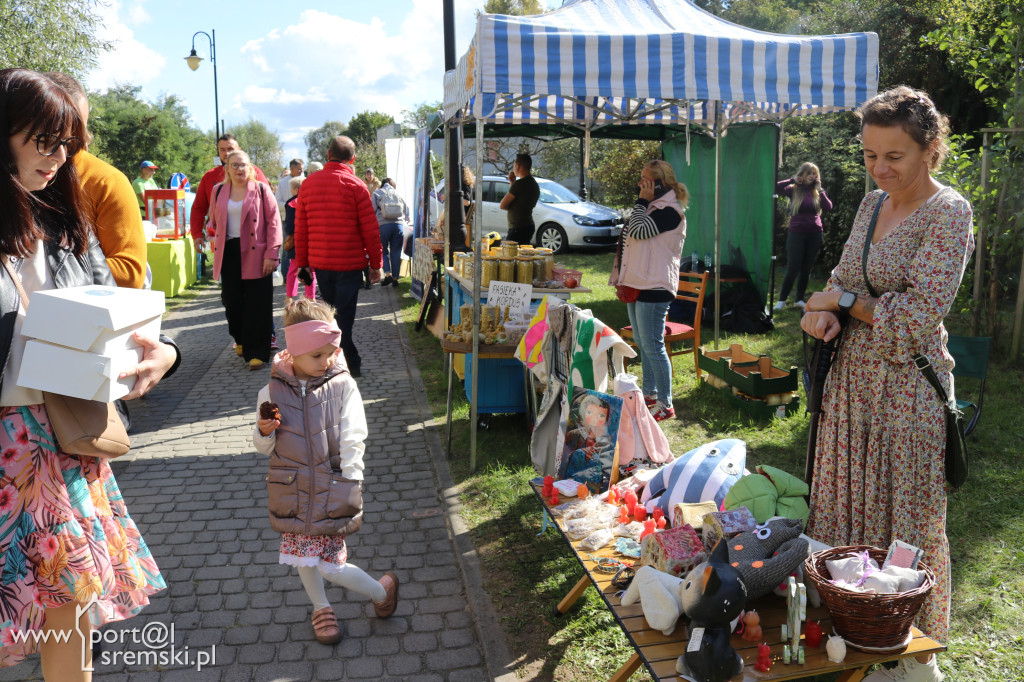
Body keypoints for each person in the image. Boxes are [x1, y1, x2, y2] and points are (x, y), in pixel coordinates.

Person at [801, 86, 973, 682]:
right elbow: (843, 278)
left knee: (909, 525)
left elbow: (917, 315)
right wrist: (824, 312)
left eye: (893, 155)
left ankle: (908, 656)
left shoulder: (949, 213)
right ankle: (851, 633)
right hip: (852, 385)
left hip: (908, 393)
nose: (880, 168)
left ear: (931, 149)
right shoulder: (872, 206)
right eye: (871, 155)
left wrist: (844, 300)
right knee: (846, 510)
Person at [0, 68, 167, 680]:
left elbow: (111, 309)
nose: (58, 157)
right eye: (44, 140)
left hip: (64, 439)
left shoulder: (66, 223)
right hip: (7, 446)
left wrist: (166, 351)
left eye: (65, 143)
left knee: (70, 603)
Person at [253, 298, 399, 645]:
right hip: (291, 491)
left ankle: (380, 592)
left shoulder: (343, 385)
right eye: (317, 355)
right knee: (304, 557)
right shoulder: (270, 391)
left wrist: (352, 480)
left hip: (332, 489)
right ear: (294, 352)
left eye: (332, 351)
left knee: (331, 566)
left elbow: (354, 436)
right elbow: (263, 448)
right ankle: (321, 607)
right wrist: (264, 431)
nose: (328, 360)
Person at [44, 72, 146, 288]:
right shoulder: (17, 175)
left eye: (75, 125)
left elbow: (131, 273)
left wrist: (43, 275)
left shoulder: (107, 181)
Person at [294, 136, 383, 379]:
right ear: (353, 159)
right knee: (344, 316)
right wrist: (376, 265)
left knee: (332, 314)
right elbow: (370, 230)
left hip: (322, 264)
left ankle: (338, 361)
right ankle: (349, 361)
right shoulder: (356, 185)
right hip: (349, 263)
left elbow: (301, 229)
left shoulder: (308, 185)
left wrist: (303, 264)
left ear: (327, 153)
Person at [609, 160, 688, 422]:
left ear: (659, 183)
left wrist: (641, 201)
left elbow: (639, 231)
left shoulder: (670, 211)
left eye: (645, 179)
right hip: (638, 283)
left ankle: (665, 403)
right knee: (643, 344)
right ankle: (651, 394)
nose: (640, 184)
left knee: (653, 346)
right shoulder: (654, 206)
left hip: (655, 285)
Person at [206, 150, 282, 370]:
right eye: (235, 165)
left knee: (258, 303)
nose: (240, 169)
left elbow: (274, 223)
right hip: (228, 252)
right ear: (227, 168)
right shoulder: (218, 190)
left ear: (251, 168)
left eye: (243, 165)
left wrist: (271, 254)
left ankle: (258, 352)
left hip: (257, 253)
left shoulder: (261, 189)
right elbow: (213, 221)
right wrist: (209, 235)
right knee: (232, 302)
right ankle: (239, 339)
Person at [188, 134, 270, 243]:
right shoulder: (209, 177)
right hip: (221, 242)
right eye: (222, 150)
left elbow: (270, 210)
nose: (226, 153)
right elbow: (198, 208)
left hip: (253, 241)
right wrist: (197, 235)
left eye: (230, 149)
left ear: (239, 150)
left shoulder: (255, 173)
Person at [774, 162, 834, 310]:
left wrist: (821, 191)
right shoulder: (793, 190)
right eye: (809, 173)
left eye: (815, 174)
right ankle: (781, 301)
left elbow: (828, 207)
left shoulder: (817, 192)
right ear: (803, 175)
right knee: (793, 267)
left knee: (806, 268)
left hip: (815, 233)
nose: (812, 176)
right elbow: (774, 187)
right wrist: (791, 180)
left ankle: (799, 299)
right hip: (797, 233)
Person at [282, 175, 316, 303]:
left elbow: (290, 226)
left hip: (297, 240)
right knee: (311, 269)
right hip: (311, 239)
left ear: (296, 189)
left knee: (293, 269)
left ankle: (289, 296)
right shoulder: (312, 200)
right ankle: (310, 297)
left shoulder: (291, 203)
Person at [371, 178, 409, 287]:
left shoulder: (377, 193)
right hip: (398, 226)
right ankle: (395, 278)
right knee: (396, 252)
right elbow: (406, 210)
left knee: (383, 251)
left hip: (383, 226)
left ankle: (387, 275)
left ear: (382, 185)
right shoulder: (398, 193)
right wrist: (406, 218)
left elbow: (372, 209)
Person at [499, 153, 540, 245]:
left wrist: (514, 184)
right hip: (528, 225)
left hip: (517, 227)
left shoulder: (520, 184)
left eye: (514, 165)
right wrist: (512, 182)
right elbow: (520, 202)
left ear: (517, 166)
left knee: (510, 255)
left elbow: (502, 205)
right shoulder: (533, 183)